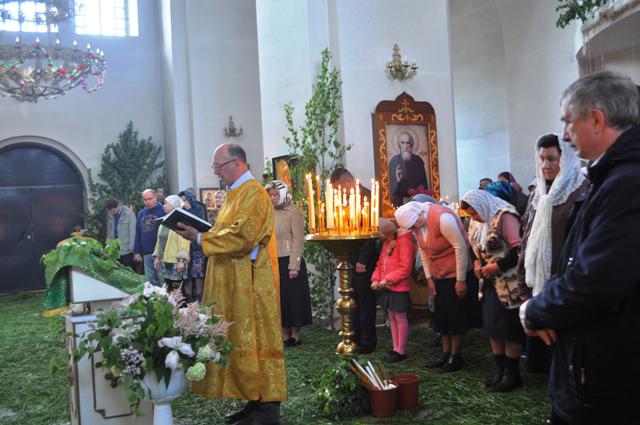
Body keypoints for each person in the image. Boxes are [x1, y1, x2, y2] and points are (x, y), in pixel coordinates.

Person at [521, 71, 640, 425]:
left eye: (569, 122)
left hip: (608, 377)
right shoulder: (611, 178)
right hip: (593, 364)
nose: (565, 134)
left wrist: (536, 311)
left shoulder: (628, 183)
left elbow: (595, 281)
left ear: (597, 120)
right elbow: (574, 262)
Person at [175, 143, 286, 425]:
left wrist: (199, 237)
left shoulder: (254, 194)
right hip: (234, 280)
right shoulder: (235, 193)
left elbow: (243, 237)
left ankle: (267, 407)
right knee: (239, 339)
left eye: (218, 166)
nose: (215, 172)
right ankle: (253, 399)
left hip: (251, 284)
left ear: (237, 163)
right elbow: (226, 231)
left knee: (257, 339)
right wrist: (205, 232)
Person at [517, 134, 588, 374]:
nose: (545, 165)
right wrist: (523, 282)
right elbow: (526, 237)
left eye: (552, 159)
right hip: (538, 284)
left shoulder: (580, 191)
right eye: (542, 159)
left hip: (565, 283)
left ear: (565, 159)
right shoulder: (538, 193)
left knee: (567, 356)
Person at [396, 200, 472, 372]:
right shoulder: (418, 224)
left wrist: (461, 280)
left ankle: (456, 356)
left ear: (418, 215)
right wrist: (429, 278)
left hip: (455, 273)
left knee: (455, 315)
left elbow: (460, 246)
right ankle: (445, 353)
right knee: (441, 314)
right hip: (438, 274)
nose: (413, 229)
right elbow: (422, 250)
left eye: (413, 225)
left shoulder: (442, 217)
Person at [460, 189, 524, 391]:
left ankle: (512, 374)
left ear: (483, 206)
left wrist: (497, 266)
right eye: (470, 215)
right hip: (489, 284)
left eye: (474, 213)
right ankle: (500, 370)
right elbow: (475, 249)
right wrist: (477, 264)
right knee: (493, 327)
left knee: (510, 329)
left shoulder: (505, 217)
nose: (474, 217)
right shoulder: (477, 223)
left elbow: (519, 250)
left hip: (509, 284)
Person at [330, 168, 380, 354]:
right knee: (352, 298)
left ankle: (367, 340)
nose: (338, 192)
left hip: (365, 257)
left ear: (348, 181)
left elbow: (372, 231)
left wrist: (363, 259)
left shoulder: (367, 196)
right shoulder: (344, 199)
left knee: (365, 300)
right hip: (350, 255)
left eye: (339, 187)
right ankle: (355, 336)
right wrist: (339, 253)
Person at [265, 180, 312, 347]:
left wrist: (294, 265)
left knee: (293, 299)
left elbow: (298, 240)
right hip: (274, 260)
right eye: (270, 195)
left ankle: (295, 335)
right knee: (280, 299)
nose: (272, 198)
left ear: (283, 194)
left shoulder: (293, 211)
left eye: (275, 194)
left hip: (290, 261)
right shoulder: (268, 212)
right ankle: (284, 335)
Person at [370, 218, 415, 363]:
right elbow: (379, 264)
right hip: (386, 286)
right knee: (392, 317)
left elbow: (405, 268)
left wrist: (387, 279)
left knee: (400, 317)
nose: (379, 238)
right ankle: (396, 348)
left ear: (386, 233)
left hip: (398, 287)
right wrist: (375, 279)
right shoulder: (386, 243)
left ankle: (401, 350)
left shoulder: (404, 242)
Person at [152, 195, 190, 291]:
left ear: (173, 205)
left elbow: (184, 242)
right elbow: (159, 240)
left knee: (177, 291)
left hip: (176, 263)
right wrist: (157, 256)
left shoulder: (181, 221)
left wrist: (181, 260)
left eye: (166, 204)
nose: (163, 206)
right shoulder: (164, 220)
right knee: (167, 290)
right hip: (165, 261)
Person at [179, 190, 208, 301]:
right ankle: (189, 299)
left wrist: (189, 210)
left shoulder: (199, 208)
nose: (183, 202)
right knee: (187, 276)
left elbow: (201, 223)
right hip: (185, 247)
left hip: (197, 247)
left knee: (198, 274)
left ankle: (199, 299)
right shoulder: (181, 210)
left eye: (185, 200)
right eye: (181, 200)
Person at [133, 189, 165, 286]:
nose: (147, 202)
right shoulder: (141, 213)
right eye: (145, 199)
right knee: (150, 281)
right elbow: (138, 233)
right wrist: (136, 251)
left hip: (161, 251)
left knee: (162, 280)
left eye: (150, 199)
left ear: (155, 198)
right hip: (146, 252)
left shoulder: (163, 210)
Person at [388, 132, 429, 206]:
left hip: (416, 202)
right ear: (399, 145)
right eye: (403, 143)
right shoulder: (394, 161)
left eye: (408, 143)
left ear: (411, 144)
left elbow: (423, 184)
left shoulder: (418, 160)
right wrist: (398, 180)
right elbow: (390, 188)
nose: (405, 146)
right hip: (399, 202)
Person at [105, 200, 137, 267]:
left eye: (113, 211)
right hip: (115, 249)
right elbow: (109, 232)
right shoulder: (110, 215)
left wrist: (132, 249)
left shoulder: (128, 214)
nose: (112, 213)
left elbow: (133, 231)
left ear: (118, 207)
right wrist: (108, 246)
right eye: (110, 211)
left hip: (127, 249)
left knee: (128, 269)